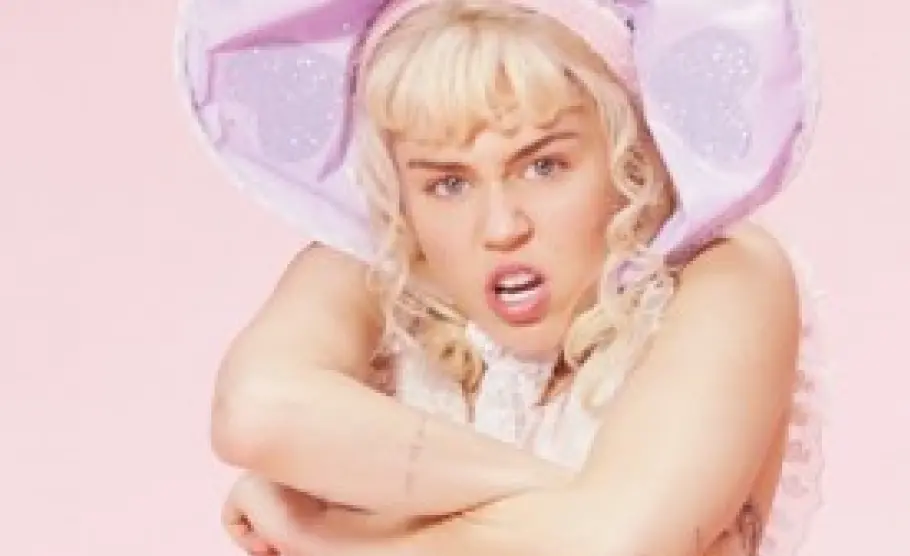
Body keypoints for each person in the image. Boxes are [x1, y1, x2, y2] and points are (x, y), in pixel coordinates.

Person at [175, 0, 825, 554]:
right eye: (448, 183)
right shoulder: (376, 269)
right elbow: (254, 412)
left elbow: (614, 546)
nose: (501, 226)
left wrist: (325, 535)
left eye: (543, 166)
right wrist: (583, 498)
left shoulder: (731, 277)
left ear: (626, 151)